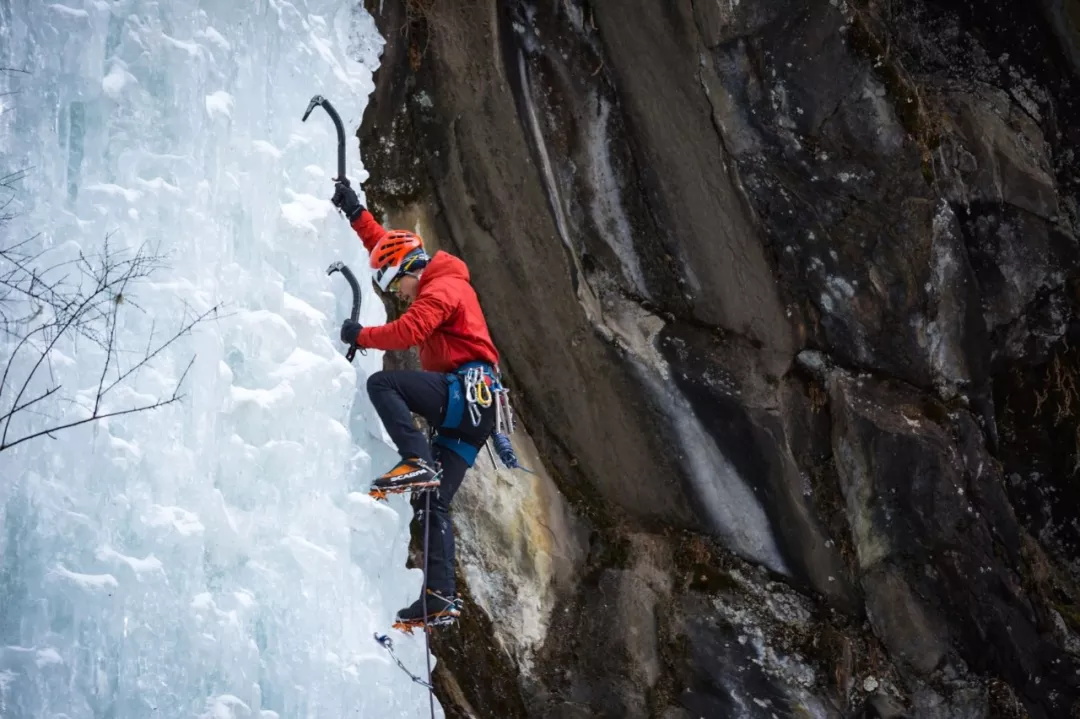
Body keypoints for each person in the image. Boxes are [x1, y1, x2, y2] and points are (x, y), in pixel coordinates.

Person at [331, 180, 500, 627]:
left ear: (412, 271)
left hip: (467, 393)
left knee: (385, 385)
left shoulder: (444, 288)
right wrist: (355, 215)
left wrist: (360, 336)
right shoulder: (425, 275)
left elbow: (409, 332)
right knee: (432, 502)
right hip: (475, 416)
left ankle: (415, 458)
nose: (399, 294)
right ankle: (440, 596)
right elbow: (387, 248)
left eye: (397, 286)